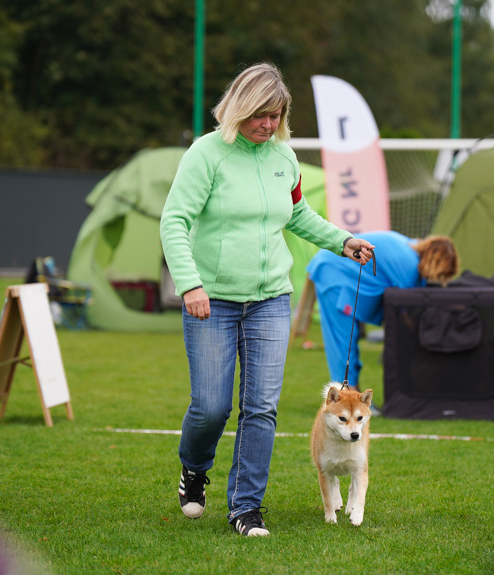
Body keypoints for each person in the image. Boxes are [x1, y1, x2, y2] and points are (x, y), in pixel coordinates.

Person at [159, 62, 374, 537]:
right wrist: (190, 284)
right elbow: (174, 220)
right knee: (211, 407)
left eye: (276, 115)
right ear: (239, 108)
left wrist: (344, 240)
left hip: (271, 298)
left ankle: (245, 508)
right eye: (261, 114)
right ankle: (194, 470)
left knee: (261, 407)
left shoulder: (285, 159)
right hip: (211, 300)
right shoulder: (205, 155)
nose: (269, 124)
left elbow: (297, 213)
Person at [306, 232, 459, 402]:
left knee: (347, 342)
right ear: (436, 263)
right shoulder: (409, 265)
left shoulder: (410, 245)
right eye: (441, 274)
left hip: (331, 263)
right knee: (344, 344)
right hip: (333, 273)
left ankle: (354, 398)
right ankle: (348, 399)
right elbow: (406, 313)